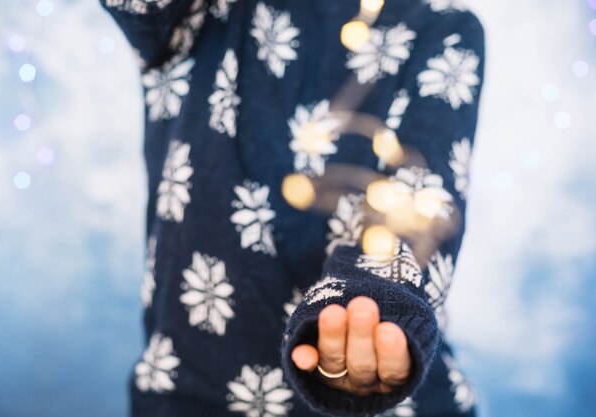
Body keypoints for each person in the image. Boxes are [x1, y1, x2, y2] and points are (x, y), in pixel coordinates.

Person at [99, 0, 485, 416]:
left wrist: (373, 306)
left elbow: (422, 196)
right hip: (188, 391)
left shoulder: (443, 28)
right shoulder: (195, 13)